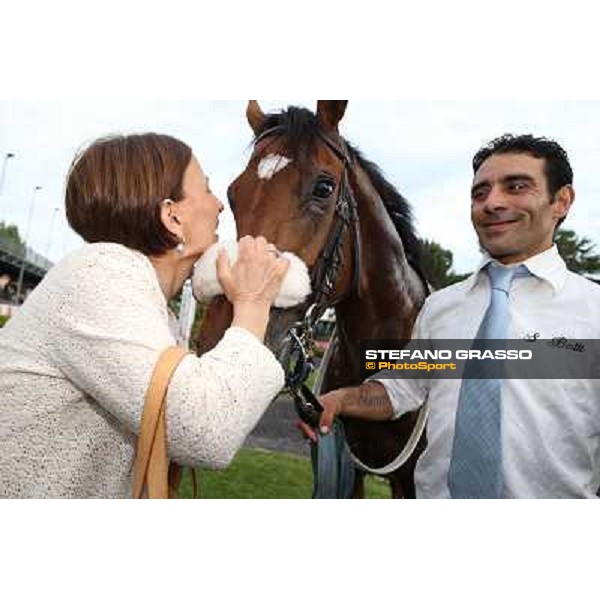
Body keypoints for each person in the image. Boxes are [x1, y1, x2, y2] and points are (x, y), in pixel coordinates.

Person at [305, 134, 600, 499]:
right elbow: (401, 389)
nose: (492, 203)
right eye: (480, 193)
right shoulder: (441, 307)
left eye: (516, 186)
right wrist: (339, 400)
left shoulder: (593, 311)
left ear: (561, 201)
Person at [0, 133, 290, 498]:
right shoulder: (99, 272)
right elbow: (206, 428)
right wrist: (252, 303)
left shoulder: (143, 301)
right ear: (172, 216)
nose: (220, 206)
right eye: (207, 189)